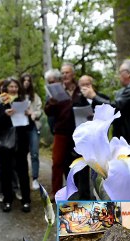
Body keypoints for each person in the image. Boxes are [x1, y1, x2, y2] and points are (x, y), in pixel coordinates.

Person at [83, 59, 130, 167]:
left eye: (120, 72)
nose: (119, 76)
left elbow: (115, 107)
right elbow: (122, 111)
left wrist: (94, 96)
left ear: (127, 74)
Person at [0, 78, 32, 213]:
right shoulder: (0, 103)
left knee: (23, 173)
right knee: (6, 173)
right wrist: (4, 115)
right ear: (5, 89)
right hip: (6, 144)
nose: (13, 89)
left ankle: (26, 201)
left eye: (16, 87)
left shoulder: (22, 102)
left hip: (21, 142)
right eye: (11, 87)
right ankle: (7, 201)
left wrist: (29, 116)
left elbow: (29, 126)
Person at [44, 63, 82, 198]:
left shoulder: (80, 90)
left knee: (76, 163)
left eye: (67, 72)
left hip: (78, 133)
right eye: (63, 73)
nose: (65, 75)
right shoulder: (57, 90)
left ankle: (76, 190)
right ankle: (56, 192)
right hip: (61, 131)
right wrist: (50, 104)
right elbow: (48, 112)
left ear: (73, 74)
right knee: (57, 162)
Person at [20, 73, 43, 190]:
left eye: (28, 80)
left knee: (34, 153)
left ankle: (35, 178)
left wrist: (33, 114)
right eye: (24, 80)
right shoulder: (18, 96)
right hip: (20, 128)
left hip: (33, 127)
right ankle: (21, 180)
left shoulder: (35, 97)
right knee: (21, 155)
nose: (26, 82)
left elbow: (40, 111)